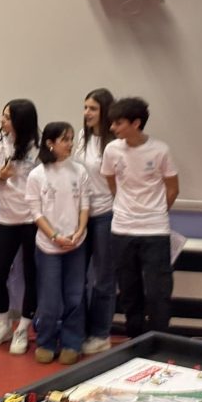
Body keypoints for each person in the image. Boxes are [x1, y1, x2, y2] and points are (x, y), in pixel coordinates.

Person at [100, 97, 180, 337]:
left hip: (155, 231)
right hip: (122, 229)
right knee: (128, 291)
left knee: (158, 292)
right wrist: (126, 207)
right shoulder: (112, 150)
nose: (113, 128)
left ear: (136, 123)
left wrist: (155, 212)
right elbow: (112, 182)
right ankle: (135, 339)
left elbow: (173, 188)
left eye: (118, 123)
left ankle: (159, 341)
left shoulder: (160, 150)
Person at [25, 122, 90, 365]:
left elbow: (85, 206)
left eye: (71, 139)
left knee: (74, 295)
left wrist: (79, 232)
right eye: (65, 139)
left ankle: (72, 342)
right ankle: (46, 342)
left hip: (76, 244)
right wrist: (54, 236)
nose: (70, 144)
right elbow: (36, 213)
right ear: (50, 143)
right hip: (48, 246)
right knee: (49, 298)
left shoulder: (79, 171)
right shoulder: (37, 175)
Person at [0, 99, 39, 355]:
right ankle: (3, 323)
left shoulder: (38, 145)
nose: (2, 120)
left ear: (20, 122)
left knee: (32, 276)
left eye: (7, 117)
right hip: (6, 218)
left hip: (33, 220)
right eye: (3, 115)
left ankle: (23, 328)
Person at [75, 88, 117, 355]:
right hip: (81, 215)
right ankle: (77, 331)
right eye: (85, 108)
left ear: (105, 111)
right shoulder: (82, 136)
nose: (87, 113)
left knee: (103, 278)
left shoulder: (115, 144)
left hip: (105, 215)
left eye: (92, 108)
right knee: (77, 277)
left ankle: (100, 334)